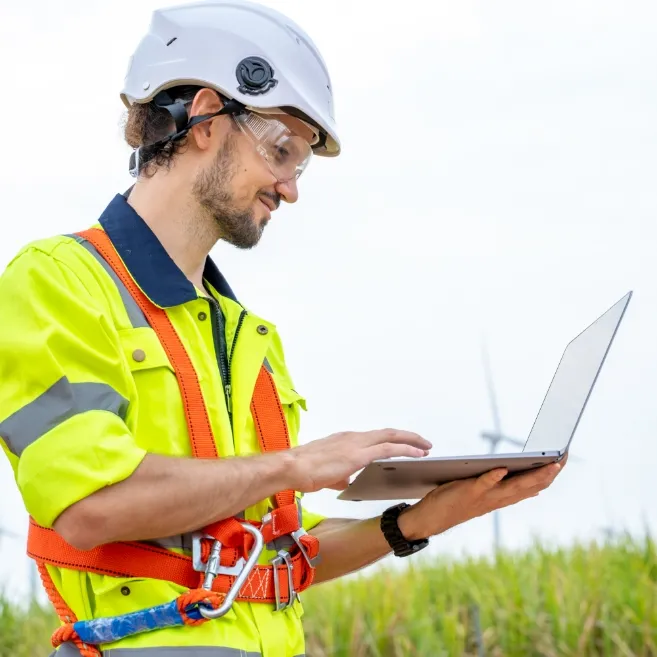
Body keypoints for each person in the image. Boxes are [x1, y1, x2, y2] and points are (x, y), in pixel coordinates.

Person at [0, 1, 565, 656]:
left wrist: (416, 520)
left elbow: (267, 558)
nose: (290, 188)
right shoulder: (55, 281)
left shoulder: (248, 337)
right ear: (207, 118)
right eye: (281, 151)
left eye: (300, 165)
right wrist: (295, 464)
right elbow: (90, 503)